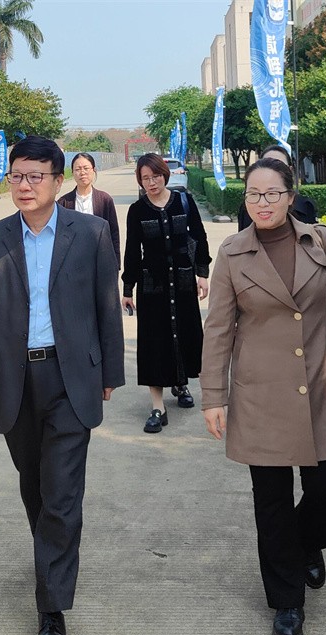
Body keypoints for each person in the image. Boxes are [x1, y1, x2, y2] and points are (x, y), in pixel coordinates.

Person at [0, 136, 125, 635]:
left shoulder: (91, 233)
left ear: (57, 180)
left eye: (35, 177)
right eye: (17, 176)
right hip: (14, 380)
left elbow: (106, 306)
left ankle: (51, 611)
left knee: (62, 493)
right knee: (35, 485)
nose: (24, 186)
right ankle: (51, 555)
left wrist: (110, 372)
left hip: (70, 378)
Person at [201, 157, 326, 635]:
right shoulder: (232, 253)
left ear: (290, 197)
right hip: (260, 394)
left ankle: (306, 544)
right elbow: (218, 329)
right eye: (253, 194)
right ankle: (287, 602)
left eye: (272, 193)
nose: (262, 202)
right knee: (272, 502)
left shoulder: (320, 241)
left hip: (321, 385)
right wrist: (213, 395)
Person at [121, 153, 211, 433]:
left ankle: (180, 384)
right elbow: (132, 250)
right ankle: (157, 407)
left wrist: (202, 274)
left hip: (183, 283)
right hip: (152, 287)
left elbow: (199, 236)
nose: (152, 183)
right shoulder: (137, 210)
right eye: (145, 178)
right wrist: (128, 288)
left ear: (165, 175)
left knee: (184, 334)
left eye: (156, 176)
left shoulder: (184, 201)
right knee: (154, 342)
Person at [57, 152, 121, 267]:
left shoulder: (105, 200)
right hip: (72, 264)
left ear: (93, 170)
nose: (82, 173)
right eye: (77, 169)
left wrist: (115, 264)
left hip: (99, 261)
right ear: (72, 173)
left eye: (86, 168)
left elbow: (114, 234)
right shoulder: (63, 202)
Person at [238, 145, 318, 231]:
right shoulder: (248, 207)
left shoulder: (305, 206)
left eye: (279, 165)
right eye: (267, 163)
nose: (262, 203)